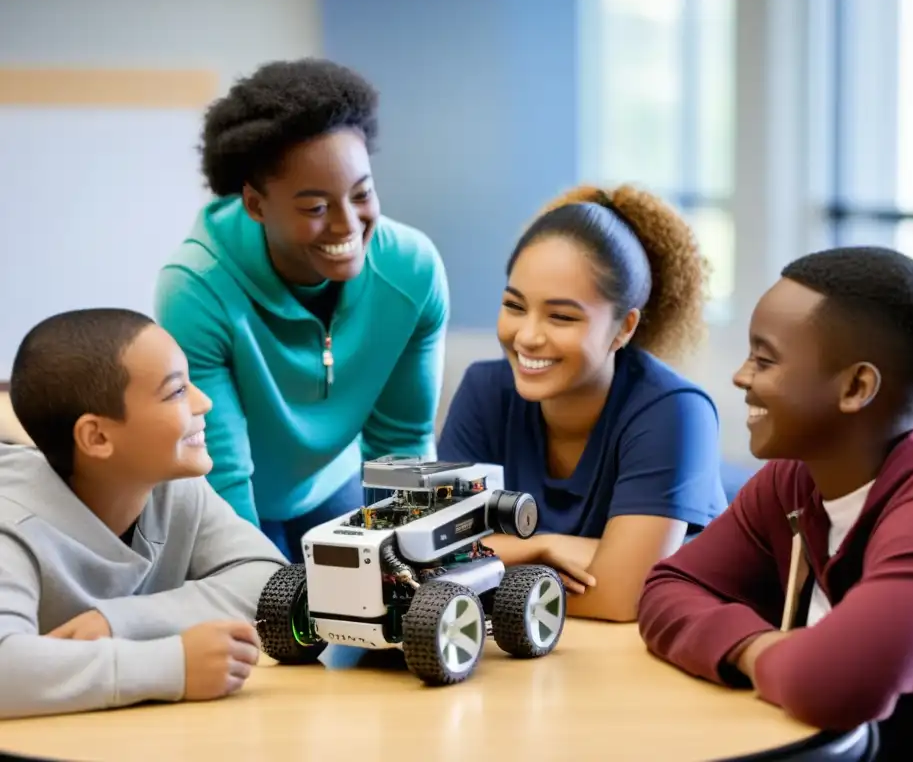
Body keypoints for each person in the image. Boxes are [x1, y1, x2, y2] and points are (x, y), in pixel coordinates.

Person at [637, 247, 913, 760]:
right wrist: (760, 647)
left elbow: (827, 684)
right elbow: (669, 588)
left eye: (765, 359)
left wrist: (753, 648)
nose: (741, 376)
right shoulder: (795, 480)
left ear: (856, 387)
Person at [154, 59, 449, 562]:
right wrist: (257, 586)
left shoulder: (410, 273)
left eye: (362, 193)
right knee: (274, 626)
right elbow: (223, 473)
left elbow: (401, 442)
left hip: (335, 482)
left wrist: (407, 574)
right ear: (255, 204)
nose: (346, 225)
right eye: (314, 208)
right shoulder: (196, 289)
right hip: (237, 501)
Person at [437, 184, 728, 623]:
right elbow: (437, 562)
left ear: (624, 327)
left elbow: (619, 597)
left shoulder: (675, 412)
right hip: (535, 648)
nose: (528, 336)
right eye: (514, 306)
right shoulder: (484, 391)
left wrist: (490, 565)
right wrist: (541, 547)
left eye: (561, 316)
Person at [0, 308, 288, 719]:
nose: (203, 401)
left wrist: (116, 623)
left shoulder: (169, 482)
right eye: (175, 392)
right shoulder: (10, 521)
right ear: (96, 437)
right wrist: (174, 666)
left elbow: (269, 581)